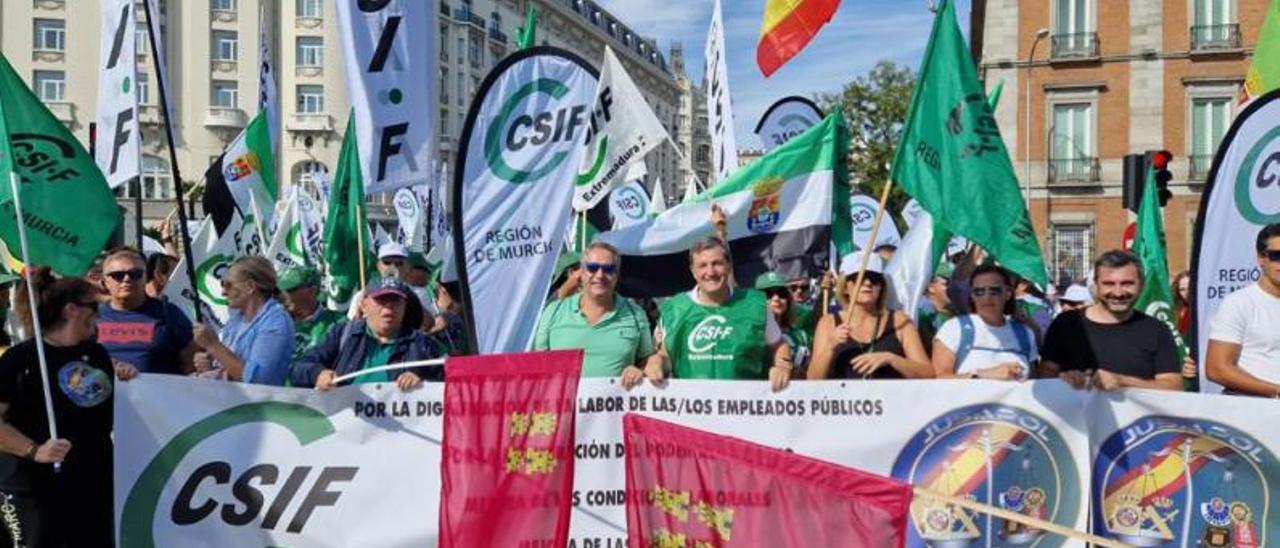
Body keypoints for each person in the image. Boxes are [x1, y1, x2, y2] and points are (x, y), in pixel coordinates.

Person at [0, 272, 138, 545]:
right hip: (34, 486)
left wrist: (126, 377)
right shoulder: (21, 359)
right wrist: (34, 450)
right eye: (94, 308)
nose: (99, 316)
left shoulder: (96, 353)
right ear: (72, 310)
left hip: (92, 480)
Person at [650, 237, 793, 391]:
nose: (710, 272)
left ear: (728, 266)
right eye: (703, 265)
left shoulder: (755, 305)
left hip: (743, 406)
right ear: (693, 272)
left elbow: (779, 344)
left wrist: (782, 366)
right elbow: (666, 356)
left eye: (717, 263)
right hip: (689, 408)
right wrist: (656, 361)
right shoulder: (673, 309)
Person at [1039, 250, 1181, 391]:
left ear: (1141, 285)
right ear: (1096, 285)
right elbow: (1043, 380)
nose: (1118, 293)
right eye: (1109, 284)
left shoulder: (1157, 330)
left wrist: (1123, 381)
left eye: (1127, 283)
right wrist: (1065, 379)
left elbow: (1173, 386)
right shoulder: (1066, 324)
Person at [533, 242, 660, 388]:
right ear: (582, 272)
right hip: (563, 407)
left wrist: (640, 370)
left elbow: (646, 360)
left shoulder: (636, 314)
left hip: (616, 407)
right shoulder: (553, 311)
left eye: (608, 269)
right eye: (593, 268)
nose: (600, 275)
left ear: (617, 275)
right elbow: (538, 365)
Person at [293, 277, 445, 389]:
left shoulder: (423, 345)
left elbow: (448, 383)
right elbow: (299, 368)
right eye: (382, 301)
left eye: (396, 302)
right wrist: (318, 374)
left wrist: (423, 383)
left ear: (405, 307)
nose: (388, 309)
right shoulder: (342, 334)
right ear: (364, 306)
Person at [808, 254, 932, 380]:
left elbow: (927, 373)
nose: (867, 283)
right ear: (845, 287)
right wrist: (830, 346)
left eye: (874, 278)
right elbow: (813, 379)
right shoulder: (828, 323)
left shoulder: (900, 321)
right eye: (858, 278)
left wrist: (891, 359)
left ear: (882, 286)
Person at [192, 256, 296, 385]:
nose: (223, 292)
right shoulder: (235, 321)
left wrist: (213, 345)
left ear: (250, 286)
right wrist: (209, 365)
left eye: (228, 285)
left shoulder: (275, 322)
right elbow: (228, 368)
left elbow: (256, 379)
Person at [95, 247, 197, 374]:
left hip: (156, 392)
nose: (127, 279)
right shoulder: (92, 316)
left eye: (135, 274)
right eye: (118, 276)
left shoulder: (169, 313)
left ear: (146, 278)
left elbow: (191, 364)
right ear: (105, 283)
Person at [1206, 224, 1280, 397]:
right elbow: (1216, 368)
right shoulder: (1239, 303)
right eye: (1277, 256)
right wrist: (1276, 390)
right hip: (1251, 408)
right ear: (1261, 258)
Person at [932, 264, 1039, 380]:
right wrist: (983, 375)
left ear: (1008, 293)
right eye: (979, 291)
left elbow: (1032, 382)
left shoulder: (1025, 335)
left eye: (995, 291)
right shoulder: (953, 328)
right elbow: (940, 379)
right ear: (972, 295)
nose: (987, 297)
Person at [755, 272, 817, 377]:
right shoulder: (750, 335)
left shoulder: (802, 336)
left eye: (782, 293)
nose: (776, 298)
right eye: (768, 294)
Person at [279, 266, 344, 363]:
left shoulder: (338, 323)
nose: (283, 296)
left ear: (311, 291)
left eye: (290, 290)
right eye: (281, 291)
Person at [915, 261, 957, 346]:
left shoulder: (957, 314)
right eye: (947, 283)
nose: (954, 288)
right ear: (931, 287)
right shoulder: (920, 316)